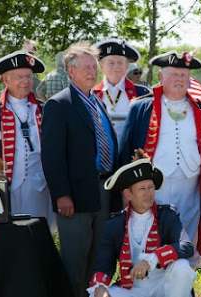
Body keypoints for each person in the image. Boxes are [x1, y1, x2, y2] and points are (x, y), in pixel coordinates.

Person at [41, 42, 118, 297]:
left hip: (104, 191)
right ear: (70, 71)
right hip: (75, 195)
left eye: (93, 67)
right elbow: (52, 156)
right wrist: (61, 194)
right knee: (75, 260)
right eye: (85, 67)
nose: (91, 71)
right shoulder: (58, 105)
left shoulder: (97, 102)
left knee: (97, 259)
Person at [120, 51, 201, 260]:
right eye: (173, 74)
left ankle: (183, 284)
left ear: (189, 79)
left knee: (186, 236)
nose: (179, 79)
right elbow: (126, 149)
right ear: (161, 77)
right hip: (153, 185)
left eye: (183, 75)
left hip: (190, 186)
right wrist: (125, 188)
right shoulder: (141, 107)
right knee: (151, 232)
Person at [88, 157, 196, 297]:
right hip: (133, 289)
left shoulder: (167, 215)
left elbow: (186, 246)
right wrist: (100, 286)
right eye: (142, 189)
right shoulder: (114, 224)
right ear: (128, 194)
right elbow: (103, 264)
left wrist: (153, 259)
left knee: (182, 267)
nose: (148, 193)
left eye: (151, 187)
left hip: (164, 285)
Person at [0, 51, 54, 226]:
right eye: (19, 77)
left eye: (29, 77)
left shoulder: (43, 109)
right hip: (5, 187)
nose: (26, 82)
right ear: (5, 80)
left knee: (39, 232)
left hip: (39, 186)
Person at [93, 38, 151, 140]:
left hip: (131, 154)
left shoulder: (143, 94)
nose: (116, 67)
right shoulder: (91, 94)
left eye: (120, 62)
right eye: (111, 63)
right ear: (101, 66)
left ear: (127, 66)